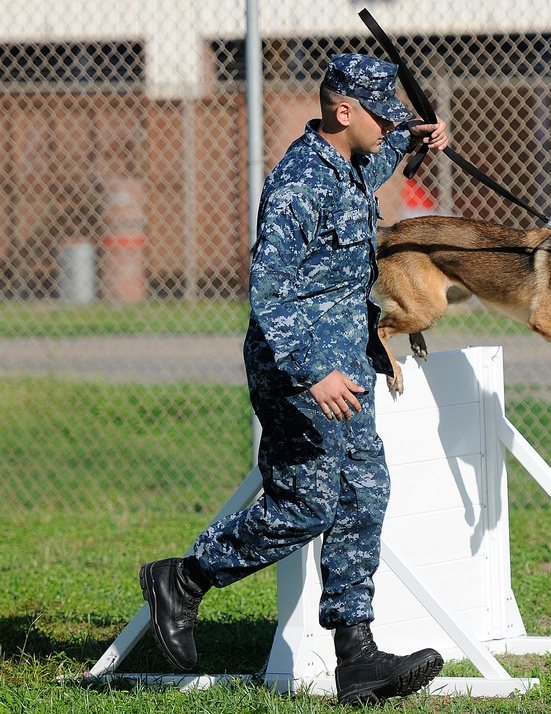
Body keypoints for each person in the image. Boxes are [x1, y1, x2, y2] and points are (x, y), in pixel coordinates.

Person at [138, 53, 449, 707]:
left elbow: (385, 152)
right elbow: (270, 296)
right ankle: (185, 578)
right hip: (298, 373)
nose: (387, 128)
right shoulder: (299, 184)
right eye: (380, 116)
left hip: (350, 366)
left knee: (364, 495)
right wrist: (313, 375)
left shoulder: (353, 158)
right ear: (344, 111)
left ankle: (357, 657)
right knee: (305, 507)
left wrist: (417, 139)